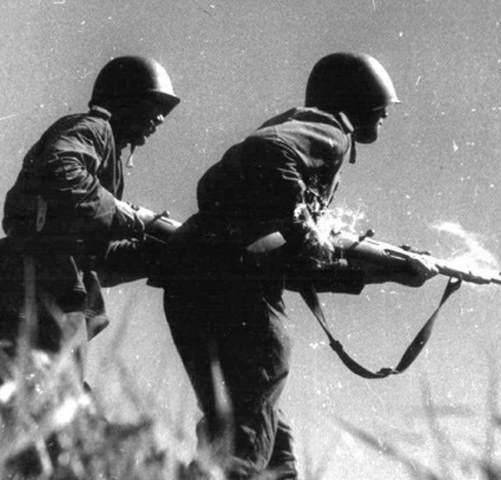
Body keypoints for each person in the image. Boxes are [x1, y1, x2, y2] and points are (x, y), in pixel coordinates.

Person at [162, 52, 437, 479]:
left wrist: (393, 271)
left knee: (268, 443)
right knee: (246, 435)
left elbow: (301, 261)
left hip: (194, 279)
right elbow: (268, 153)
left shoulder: (296, 133)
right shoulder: (331, 130)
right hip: (237, 285)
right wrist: (306, 227)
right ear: (359, 100)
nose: (385, 115)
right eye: (380, 107)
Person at [0, 56, 180, 378]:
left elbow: (98, 258)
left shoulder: (106, 152)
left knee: (44, 392)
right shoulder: (94, 128)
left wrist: (154, 248)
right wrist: (134, 216)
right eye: (154, 105)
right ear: (125, 99)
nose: (161, 118)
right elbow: (62, 170)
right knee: (53, 394)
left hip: (50, 287)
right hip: (41, 285)